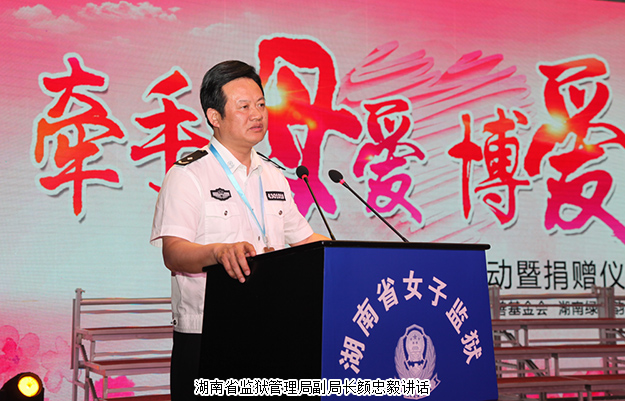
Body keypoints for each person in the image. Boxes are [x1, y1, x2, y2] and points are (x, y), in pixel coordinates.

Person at [150, 60, 329, 400]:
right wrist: (218, 252)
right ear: (214, 117)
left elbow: (305, 240)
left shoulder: (274, 175)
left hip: (272, 329)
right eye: (244, 107)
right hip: (209, 335)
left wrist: (349, 252)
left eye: (261, 104)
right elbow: (173, 252)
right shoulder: (188, 175)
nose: (257, 114)